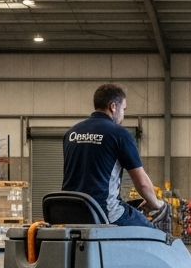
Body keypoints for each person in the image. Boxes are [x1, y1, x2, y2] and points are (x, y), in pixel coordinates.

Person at [62, 83, 166, 227]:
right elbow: (141, 182)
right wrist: (155, 203)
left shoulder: (71, 133)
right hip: (102, 212)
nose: (123, 115)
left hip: (70, 212)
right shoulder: (119, 134)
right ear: (113, 107)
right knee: (153, 235)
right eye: (123, 109)